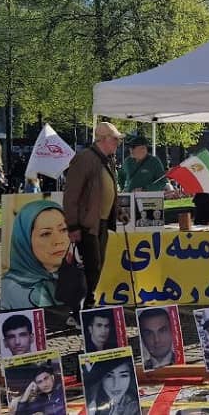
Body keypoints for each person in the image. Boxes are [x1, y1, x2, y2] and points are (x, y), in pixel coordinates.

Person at [64, 121, 124, 327]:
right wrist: (72, 226)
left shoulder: (104, 160)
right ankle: (82, 310)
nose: (117, 142)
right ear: (104, 139)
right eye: (115, 139)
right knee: (90, 268)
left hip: (100, 222)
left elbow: (105, 192)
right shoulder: (85, 159)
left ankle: (85, 308)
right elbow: (71, 195)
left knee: (95, 267)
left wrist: (116, 211)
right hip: (87, 224)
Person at [1, 200, 70, 310]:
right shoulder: (11, 289)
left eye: (63, 229)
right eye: (46, 233)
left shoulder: (75, 277)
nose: (58, 241)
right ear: (25, 240)